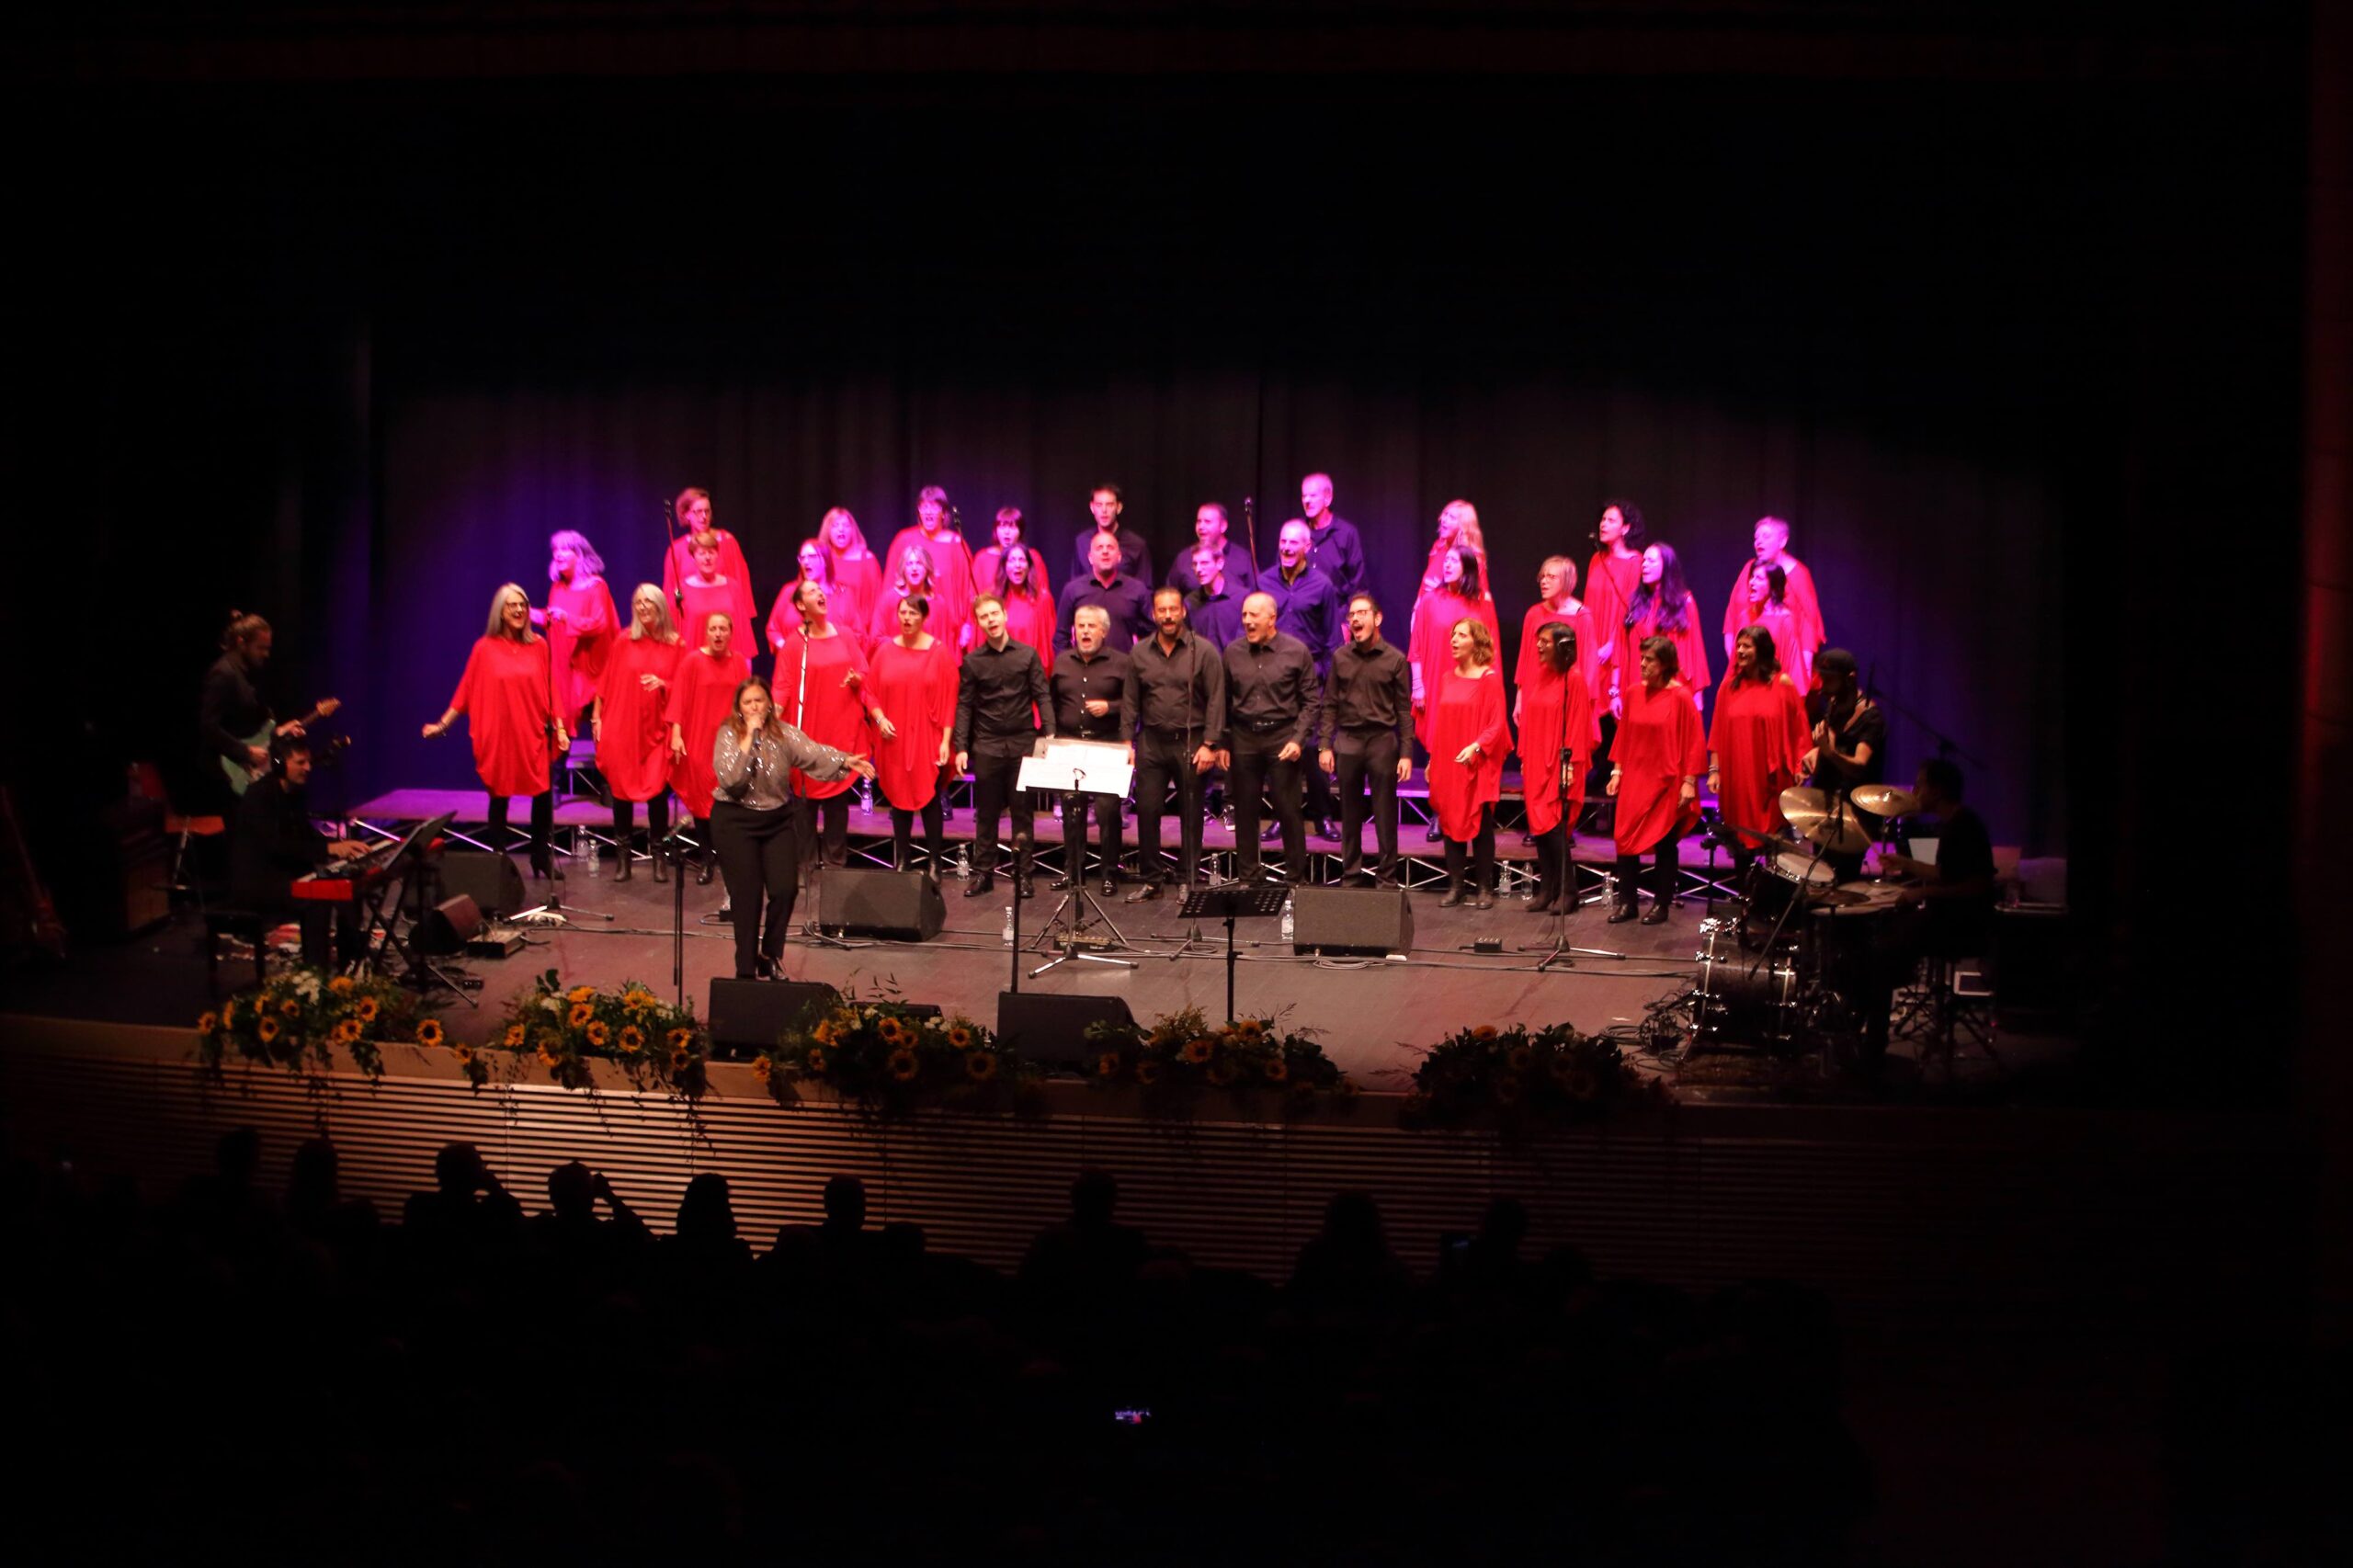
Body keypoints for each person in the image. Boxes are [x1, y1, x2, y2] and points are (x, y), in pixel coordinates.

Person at [709, 676, 872, 980]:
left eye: (759, 700)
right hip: (735, 821)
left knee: (785, 890)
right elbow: (731, 780)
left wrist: (845, 760)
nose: (755, 706)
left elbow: (813, 753)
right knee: (747, 897)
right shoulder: (729, 734)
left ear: (769, 704)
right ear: (739, 708)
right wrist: (750, 736)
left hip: (776, 819)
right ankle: (745, 967)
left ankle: (770, 955)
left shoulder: (784, 734)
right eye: (748, 702)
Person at [422, 584, 567, 878]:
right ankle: (498, 860)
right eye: (511, 605)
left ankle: (541, 856)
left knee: (542, 794)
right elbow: (466, 690)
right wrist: (443, 724)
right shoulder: (484, 648)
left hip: (532, 731)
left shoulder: (539, 645)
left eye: (523, 605)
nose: (518, 610)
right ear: (500, 611)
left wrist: (561, 728)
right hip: (500, 734)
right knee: (499, 795)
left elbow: (552, 689)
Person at [228, 735, 369, 963]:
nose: (309, 768)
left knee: (347, 887)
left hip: (287, 876)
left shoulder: (294, 793)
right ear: (279, 763)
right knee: (316, 901)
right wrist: (330, 848)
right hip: (259, 883)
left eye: (309, 762)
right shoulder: (258, 795)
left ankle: (351, 964)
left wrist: (339, 846)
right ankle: (316, 973)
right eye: (301, 763)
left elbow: (304, 833)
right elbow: (276, 845)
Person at [770, 580, 881, 870]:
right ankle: (805, 865)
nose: (820, 593)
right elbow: (782, 686)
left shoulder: (844, 635)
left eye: (820, 590)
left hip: (840, 731)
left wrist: (857, 681)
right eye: (811, 591)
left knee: (837, 805)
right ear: (799, 605)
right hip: (808, 733)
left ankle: (835, 864)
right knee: (804, 806)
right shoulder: (795, 644)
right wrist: (770, 719)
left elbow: (863, 674)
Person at [1124, 586, 1225, 901]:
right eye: (1161, 610)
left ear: (1183, 611)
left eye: (1172, 609)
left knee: (1191, 813)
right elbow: (1130, 701)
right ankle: (1152, 879)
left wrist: (1211, 743)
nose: (1167, 615)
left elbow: (1216, 699)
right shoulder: (1139, 652)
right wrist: (1127, 742)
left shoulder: (1204, 650)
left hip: (1192, 742)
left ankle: (1188, 878)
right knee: (1148, 811)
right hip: (1151, 742)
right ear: (1154, 614)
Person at [952, 594, 1054, 898]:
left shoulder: (1027, 655)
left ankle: (1023, 874)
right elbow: (965, 706)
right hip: (988, 745)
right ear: (979, 622)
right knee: (986, 813)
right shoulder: (972, 662)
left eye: (995, 613)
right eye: (984, 616)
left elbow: (1042, 695)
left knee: (1023, 814)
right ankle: (983, 873)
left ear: (1005, 615)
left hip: (1022, 743)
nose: (991, 620)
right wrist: (961, 746)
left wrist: (1050, 734)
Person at [1219, 592, 1320, 886]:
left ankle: (1294, 878)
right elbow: (1223, 700)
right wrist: (1224, 742)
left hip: (1282, 737)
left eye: (1254, 616)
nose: (1247, 621)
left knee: (1288, 809)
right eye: (1245, 616)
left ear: (1272, 619)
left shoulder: (1296, 652)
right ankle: (1249, 876)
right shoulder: (1232, 652)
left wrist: (1298, 739)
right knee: (1246, 810)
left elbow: (1311, 702)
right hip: (1244, 737)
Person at [1606, 636, 1705, 925]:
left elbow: (1693, 741)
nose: (1643, 664)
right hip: (1636, 778)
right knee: (1624, 840)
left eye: (1649, 659)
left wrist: (1689, 781)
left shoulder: (1681, 697)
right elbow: (1624, 736)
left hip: (1667, 781)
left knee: (1664, 844)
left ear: (1664, 664)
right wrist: (1616, 772)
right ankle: (1628, 903)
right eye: (1642, 658)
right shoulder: (1634, 693)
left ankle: (1661, 905)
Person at [1319, 594, 1415, 887]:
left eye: (1362, 613)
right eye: (1351, 616)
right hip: (1348, 740)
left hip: (1381, 741)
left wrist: (1407, 752)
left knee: (1385, 813)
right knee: (1349, 813)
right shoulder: (1341, 657)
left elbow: (1403, 708)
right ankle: (1351, 875)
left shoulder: (1395, 659)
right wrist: (1325, 744)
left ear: (1378, 618)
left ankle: (1387, 878)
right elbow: (1330, 703)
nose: (1356, 620)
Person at [590, 585, 683, 882]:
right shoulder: (623, 641)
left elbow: (685, 688)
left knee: (656, 793)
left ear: (660, 606)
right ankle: (624, 857)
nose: (643, 607)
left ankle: (658, 856)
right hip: (623, 728)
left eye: (648, 602)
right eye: (637, 602)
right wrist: (596, 717)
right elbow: (604, 684)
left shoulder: (676, 644)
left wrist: (664, 684)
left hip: (658, 729)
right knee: (621, 792)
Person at [1706, 625, 1812, 884]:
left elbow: (1799, 728)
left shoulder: (1782, 684)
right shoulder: (1727, 688)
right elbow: (1718, 731)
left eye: (1747, 646)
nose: (1739, 650)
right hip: (1738, 775)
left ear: (1761, 650)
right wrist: (1714, 770)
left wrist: (1801, 765)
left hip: (1770, 777)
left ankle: (1772, 901)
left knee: (1774, 840)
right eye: (1739, 645)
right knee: (1741, 838)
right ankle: (1745, 897)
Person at [867, 597, 960, 877]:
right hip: (894, 737)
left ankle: (934, 862)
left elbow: (949, 699)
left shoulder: (939, 652)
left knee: (929, 794)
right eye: (903, 612)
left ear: (923, 617)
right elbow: (869, 691)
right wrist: (880, 718)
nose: (906, 618)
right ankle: (903, 859)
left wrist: (945, 740)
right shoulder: (884, 650)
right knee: (898, 795)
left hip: (926, 735)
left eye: (913, 613)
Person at [1424, 618, 1512, 908]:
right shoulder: (1448, 678)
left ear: (1477, 642)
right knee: (1450, 821)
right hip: (1449, 761)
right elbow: (1442, 724)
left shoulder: (1488, 678)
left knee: (1480, 823)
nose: (1454, 639)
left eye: (1461, 635)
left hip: (1477, 762)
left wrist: (1476, 747)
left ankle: (1485, 888)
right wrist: (1433, 759)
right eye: (1453, 634)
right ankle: (1457, 885)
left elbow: (1496, 724)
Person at [1047, 605, 1135, 895]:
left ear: (1104, 631)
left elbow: (1135, 705)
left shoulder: (1121, 662)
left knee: (1108, 811)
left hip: (1106, 744)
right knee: (1072, 810)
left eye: (1091, 626)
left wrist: (1109, 707)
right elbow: (1050, 701)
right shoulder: (1062, 662)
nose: (1085, 631)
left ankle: (1110, 873)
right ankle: (1073, 872)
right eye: (1080, 625)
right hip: (1069, 742)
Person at [1266, 519, 1345, 836]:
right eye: (1283, 541)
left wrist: (1330, 682)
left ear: (1307, 546)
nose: (1286, 547)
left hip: (1312, 675)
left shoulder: (1322, 585)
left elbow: (1331, 639)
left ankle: (1322, 815)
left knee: (1313, 749)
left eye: (1293, 543)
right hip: (1273, 677)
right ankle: (1281, 816)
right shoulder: (1265, 581)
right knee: (1279, 747)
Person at [199, 611, 331, 799]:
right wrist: (244, 752)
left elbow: (248, 723)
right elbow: (208, 725)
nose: (266, 654)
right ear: (241, 642)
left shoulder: (248, 673)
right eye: (260, 648)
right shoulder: (223, 674)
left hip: (247, 769)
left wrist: (280, 731)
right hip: (225, 773)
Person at [1874, 758, 1999, 955]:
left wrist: (1923, 892)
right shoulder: (1954, 822)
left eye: (1919, 785)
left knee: (1888, 940)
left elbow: (1976, 885)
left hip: (1963, 921)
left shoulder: (1964, 826)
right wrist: (1905, 863)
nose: (1914, 792)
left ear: (1937, 791)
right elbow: (1948, 873)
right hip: (1953, 915)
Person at [664, 612, 753, 885]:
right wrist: (677, 735)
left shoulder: (738, 662)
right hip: (700, 741)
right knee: (703, 804)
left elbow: (746, 700)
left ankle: (729, 858)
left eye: (723, 629)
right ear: (706, 632)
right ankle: (707, 859)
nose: (717, 634)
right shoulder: (692, 661)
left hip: (730, 741)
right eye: (713, 629)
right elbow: (679, 697)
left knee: (728, 800)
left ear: (731, 632)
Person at [1518, 621, 1596, 915]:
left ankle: (1567, 891)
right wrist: (1525, 756)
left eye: (1545, 642)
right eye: (1537, 641)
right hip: (1538, 761)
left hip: (1561, 765)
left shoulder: (1573, 680)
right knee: (1539, 828)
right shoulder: (1537, 676)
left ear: (1562, 646)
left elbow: (1577, 724)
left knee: (1555, 828)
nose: (1538, 646)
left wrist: (1570, 765)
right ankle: (1546, 888)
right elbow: (1528, 719)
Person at [1584, 498, 1647, 825]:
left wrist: (1612, 641)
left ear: (1625, 527)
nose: (1603, 524)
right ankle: (1600, 767)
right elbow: (1590, 602)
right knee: (1594, 703)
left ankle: (1619, 771)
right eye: (1602, 520)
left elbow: (1632, 606)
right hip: (1594, 643)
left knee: (1618, 701)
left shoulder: (1636, 561)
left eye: (1610, 520)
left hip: (1620, 641)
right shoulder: (1597, 560)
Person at [1801, 648, 1886, 883]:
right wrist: (1816, 753)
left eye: (1829, 677)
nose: (1823, 683)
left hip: (1854, 815)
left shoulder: (1871, 718)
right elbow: (1829, 744)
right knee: (1820, 877)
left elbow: (1859, 765)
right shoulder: (1833, 707)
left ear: (1850, 678)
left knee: (1844, 882)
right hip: (1826, 808)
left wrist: (1829, 752)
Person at [535, 531, 618, 728]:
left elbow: (599, 623)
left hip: (590, 667)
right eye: (555, 550)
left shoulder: (596, 586)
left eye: (565, 549)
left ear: (579, 555)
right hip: (564, 666)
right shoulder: (557, 587)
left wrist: (567, 618)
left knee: (600, 723)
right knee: (561, 725)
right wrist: (526, 613)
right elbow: (552, 618)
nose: (558, 554)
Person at [1617, 541, 1710, 716]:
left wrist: (1698, 694)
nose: (1644, 565)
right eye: (1644, 561)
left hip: (1672, 684)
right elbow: (1621, 647)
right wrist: (1615, 690)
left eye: (1651, 561)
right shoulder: (1633, 603)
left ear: (1666, 566)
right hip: (1638, 683)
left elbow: (1695, 648)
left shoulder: (1684, 602)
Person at [1722, 515, 1825, 666]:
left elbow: (1808, 625)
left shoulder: (1799, 575)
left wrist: (1805, 667)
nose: (1759, 541)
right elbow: (1732, 615)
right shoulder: (1749, 569)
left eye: (1766, 536)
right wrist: (1735, 657)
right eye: (1756, 537)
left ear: (1783, 541)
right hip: (1746, 659)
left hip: (1783, 661)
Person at [1514, 555, 1600, 718]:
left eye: (1551, 577)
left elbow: (1588, 663)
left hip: (1565, 696)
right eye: (1542, 576)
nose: (1544, 581)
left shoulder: (1581, 616)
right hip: (1534, 693)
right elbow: (1524, 659)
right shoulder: (1534, 614)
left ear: (1567, 581)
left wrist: (1582, 703)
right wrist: (1519, 698)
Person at [886, 485, 977, 632]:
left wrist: (968, 625)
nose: (929, 513)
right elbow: (890, 585)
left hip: (947, 628)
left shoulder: (956, 544)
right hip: (909, 623)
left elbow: (969, 589)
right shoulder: (903, 540)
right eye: (924, 507)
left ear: (943, 513)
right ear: (919, 512)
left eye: (934, 508)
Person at [661, 487, 756, 630]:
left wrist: (743, 621)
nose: (704, 517)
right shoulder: (677, 550)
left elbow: (741, 584)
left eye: (707, 511)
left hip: (724, 622)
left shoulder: (727, 541)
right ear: (686, 514)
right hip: (691, 624)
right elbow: (670, 592)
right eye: (698, 512)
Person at [1054, 528, 1152, 651]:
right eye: (1099, 548)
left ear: (1119, 557)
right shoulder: (1072, 590)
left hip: (1124, 667)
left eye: (1110, 547)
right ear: (1090, 557)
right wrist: (1069, 665)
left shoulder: (1137, 589)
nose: (1105, 551)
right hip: (1085, 668)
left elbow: (1151, 633)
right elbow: (1061, 637)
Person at [870, 541, 970, 650]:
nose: (914, 568)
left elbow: (946, 644)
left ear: (927, 568)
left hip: (929, 664)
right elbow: (876, 637)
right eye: (909, 564)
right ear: (903, 569)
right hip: (896, 662)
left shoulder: (939, 604)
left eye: (919, 563)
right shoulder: (889, 599)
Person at [768, 540, 853, 663]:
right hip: (794, 663)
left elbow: (856, 633)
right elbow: (773, 629)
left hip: (832, 663)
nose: (806, 562)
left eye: (812, 556)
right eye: (802, 558)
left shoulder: (842, 594)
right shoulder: (790, 592)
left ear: (825, 560)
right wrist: (784, 646)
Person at [679, 530, 758, 660]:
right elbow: (675, 633)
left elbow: (743, 630)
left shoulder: (732, 586)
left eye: (711, 552)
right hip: (695, 663)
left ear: (717, 555)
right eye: (702, 553)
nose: (707, 558)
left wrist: (746, 664)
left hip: (729, 662)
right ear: (693, 557)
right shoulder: (681, 589)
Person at [1738, 561, 1815, 691]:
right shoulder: (1745, 616)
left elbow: (1793, 669)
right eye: (1752, 577)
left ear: (1773, 586)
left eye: (1759, 579)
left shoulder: (1784, 620)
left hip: (1769, 693)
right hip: (1745, 691)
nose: (1751, 582)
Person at [990, 538, 1058, 675]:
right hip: (1002, 675)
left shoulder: (1042, 599)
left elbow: (1048, 644)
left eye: (1022, 560)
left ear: (1029, 566)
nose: (1018, 565)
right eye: (1012, 560)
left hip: (1032, 675)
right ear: (1004, 566)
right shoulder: (994, 599)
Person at [1412, 499, 1488, 620]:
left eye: (1452, 517)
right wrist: (1416, 611)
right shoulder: (1438, 548)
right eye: (1445, 515)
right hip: (1426, 615)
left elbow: (1479, 598)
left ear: (1464, 525)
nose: (1444, 520)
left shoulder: (1471, 557)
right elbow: (1424, 585)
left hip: (1451, 620)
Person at [1067, 482, 1152, 589]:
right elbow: (1074, 584)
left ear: (1119, 507)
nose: (1104, 511)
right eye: (1099, 505)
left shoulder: (1136, 545)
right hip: (1089, 604)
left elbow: (1145, 590)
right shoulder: (1082, 542)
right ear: (1092, 508)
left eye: (1109, 505)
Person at [1165, 502, 1258, 598]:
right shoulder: (1184, 558)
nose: (1201, 527)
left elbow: (1255, 597)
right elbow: (1170, 596)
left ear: (1223, 526)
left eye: (1207, 522)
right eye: (1199, 521)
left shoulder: (1243, 558)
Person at [1299, 472, 1367, 599]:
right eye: (1304, 496)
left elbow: (1358, 585)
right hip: (1302, 615)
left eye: (1313, 495)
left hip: (1336, 614)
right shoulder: (1296, 532)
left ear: (1328, 498)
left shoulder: (1346, 534)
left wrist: (1346, 617)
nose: (1307, 501)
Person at [817, 507, 884, 635]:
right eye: (835, 526)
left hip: (860, 634)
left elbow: (877, 602)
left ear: (853, 531)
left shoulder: (867, 560)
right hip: (826, 632)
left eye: (846, 526)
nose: (841, 529)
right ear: (828, 531)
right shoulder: (821, 561)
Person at [970, 506, 1051, 605]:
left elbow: (1042, 593)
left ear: (1020, 530)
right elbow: (974, 596)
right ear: (995, 530)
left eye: (1012, 527)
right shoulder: (982, 558)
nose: (1007, 532)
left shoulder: (1033, 557)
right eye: (1002, 526)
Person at [1181, 542, 1246, 650]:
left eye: (1204, 563)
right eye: (1195, 564)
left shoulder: (1241, 598)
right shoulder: (1190, 602)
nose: (1198, 569)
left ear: (1220, 563)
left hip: (1234, 663)